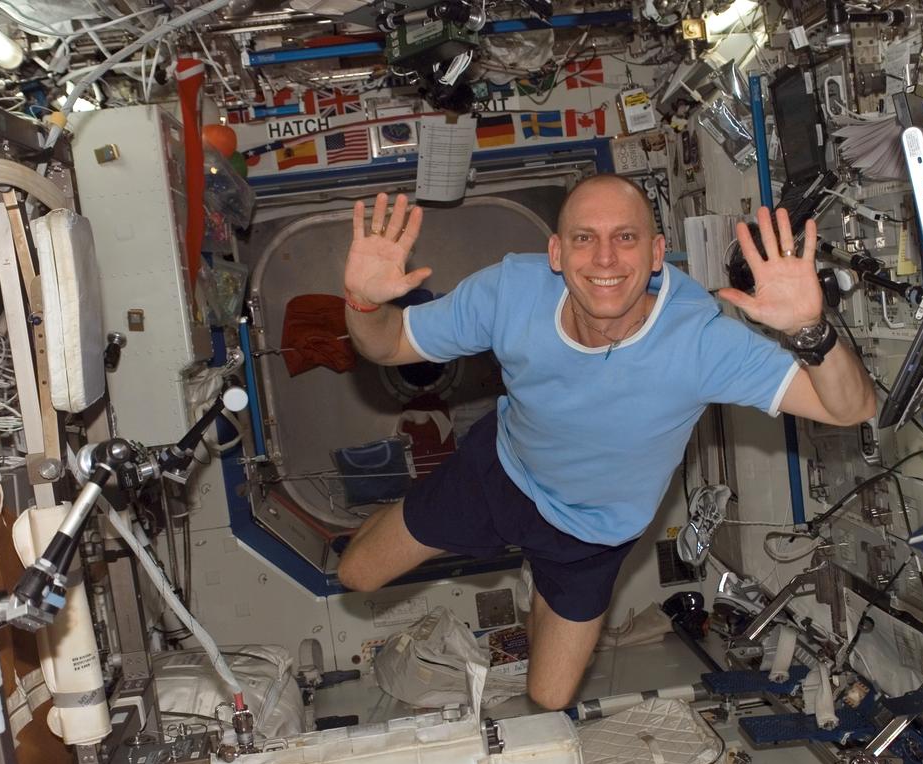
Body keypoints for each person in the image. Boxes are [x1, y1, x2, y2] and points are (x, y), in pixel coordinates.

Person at [336, 175, 875, 710]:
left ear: (657, 252)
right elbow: (389, 346)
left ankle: (545, 578)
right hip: (501, 472)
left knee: (549, 698)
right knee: (354, 574)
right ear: (555, 252)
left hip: (593, 530)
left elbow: (850, 408)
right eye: (583, 238)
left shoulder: (700, 342)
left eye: (625, 237)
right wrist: (361, 303)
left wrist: (810, 330)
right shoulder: (509, 292)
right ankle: (508, 550)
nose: (605, 259)